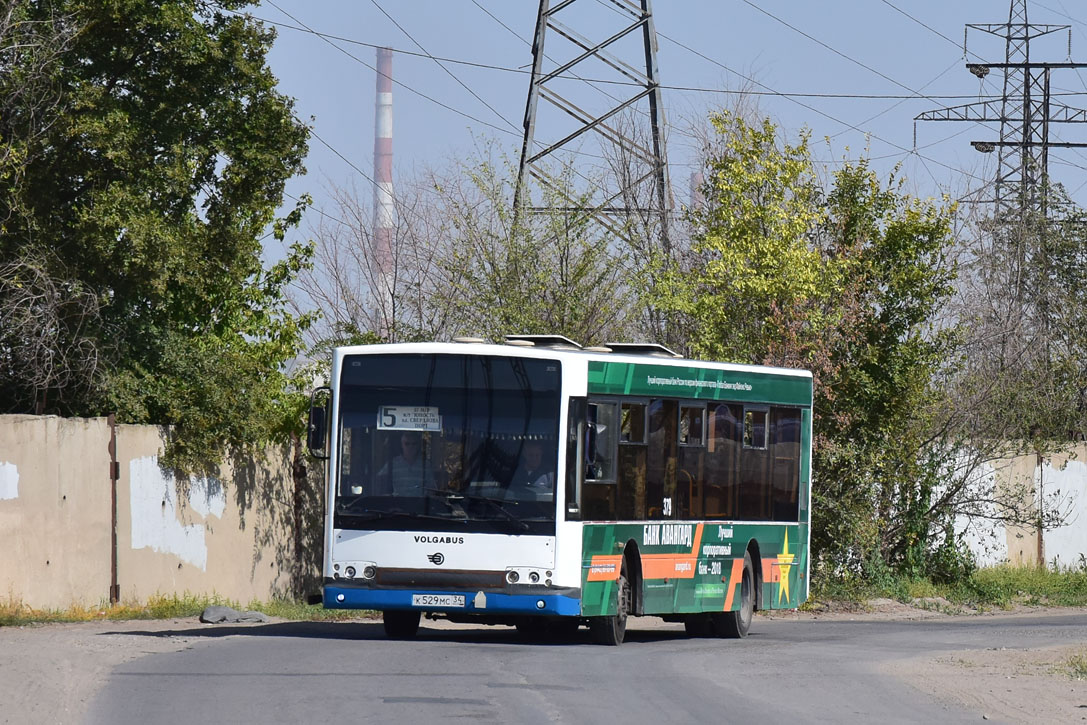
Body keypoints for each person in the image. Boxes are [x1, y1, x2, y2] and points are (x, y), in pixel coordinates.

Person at [377, 432, 430, 496]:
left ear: (418, 445)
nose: (411, 446)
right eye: (407, 444)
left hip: (421, 504)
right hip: (397, 504)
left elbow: (431, 488)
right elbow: (380, 485)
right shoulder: (392, 464)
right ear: (402, 445)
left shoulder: (425, 465)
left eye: (414, 444)